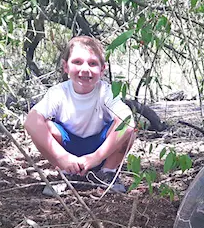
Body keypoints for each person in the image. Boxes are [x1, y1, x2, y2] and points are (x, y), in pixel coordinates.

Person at [24, 36, 135, 193]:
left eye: (93, 63)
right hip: (69, 149)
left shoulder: (105, 91)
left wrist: (95, 157)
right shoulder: (59, 92)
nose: (85, 69)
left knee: (128, 130)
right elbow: (31, 121)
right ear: (65, 67)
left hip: (100, 150)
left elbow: (128, 122)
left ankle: (107, 173)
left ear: (103, 69)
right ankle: (66, 172)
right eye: (77, 62)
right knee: (45, 125)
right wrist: (62, 157)